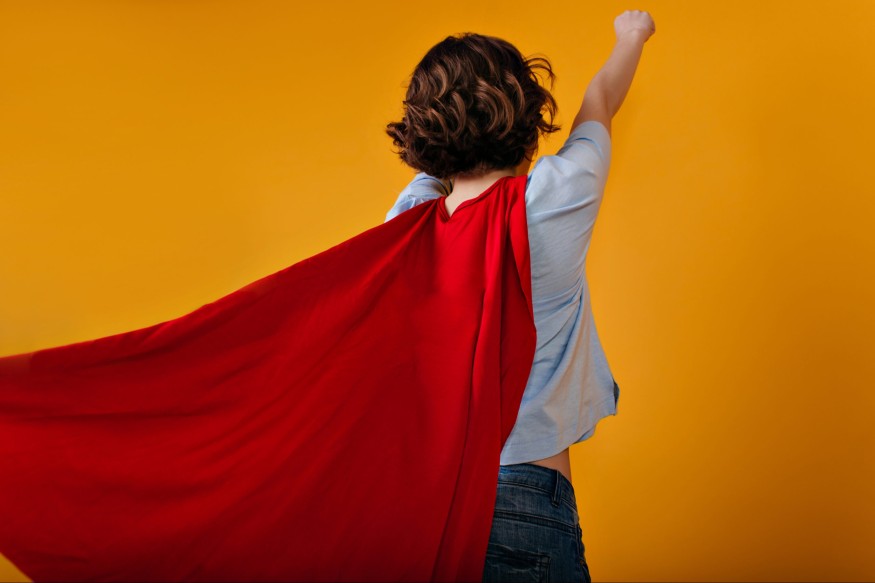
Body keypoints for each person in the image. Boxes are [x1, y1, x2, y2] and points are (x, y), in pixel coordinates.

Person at [384, 9, 656, 582]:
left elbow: (437, 179)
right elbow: (601, 101)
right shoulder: (558, 198)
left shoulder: (407, 224)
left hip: (425, 507)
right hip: (525, 498)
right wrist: (632, 35)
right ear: (528, 119)